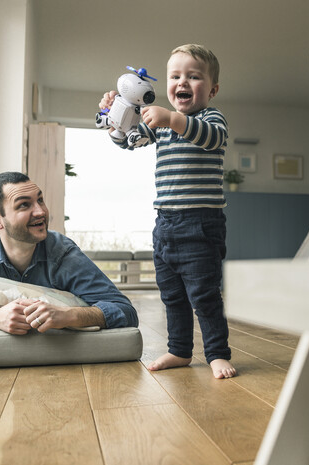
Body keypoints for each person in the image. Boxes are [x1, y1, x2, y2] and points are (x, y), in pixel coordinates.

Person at [98, 44, 236, 378]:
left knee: (204, 295)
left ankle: (217, 353)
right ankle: (180, 350)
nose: (182, 82)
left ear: (212, 89)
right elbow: (129, 140)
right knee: (172, 295)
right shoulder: (158, 126)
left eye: (194, 76)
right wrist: (115, 117)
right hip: (166, 224)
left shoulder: (210, 118)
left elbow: (212, 138)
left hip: (201, 224)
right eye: (175, 76)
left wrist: (171, 119)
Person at [0, 171, 138, 333]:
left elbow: (125, 312)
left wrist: (68, 315)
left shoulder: (63, 253)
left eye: (40, 200)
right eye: (24, 204)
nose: (40, 211)